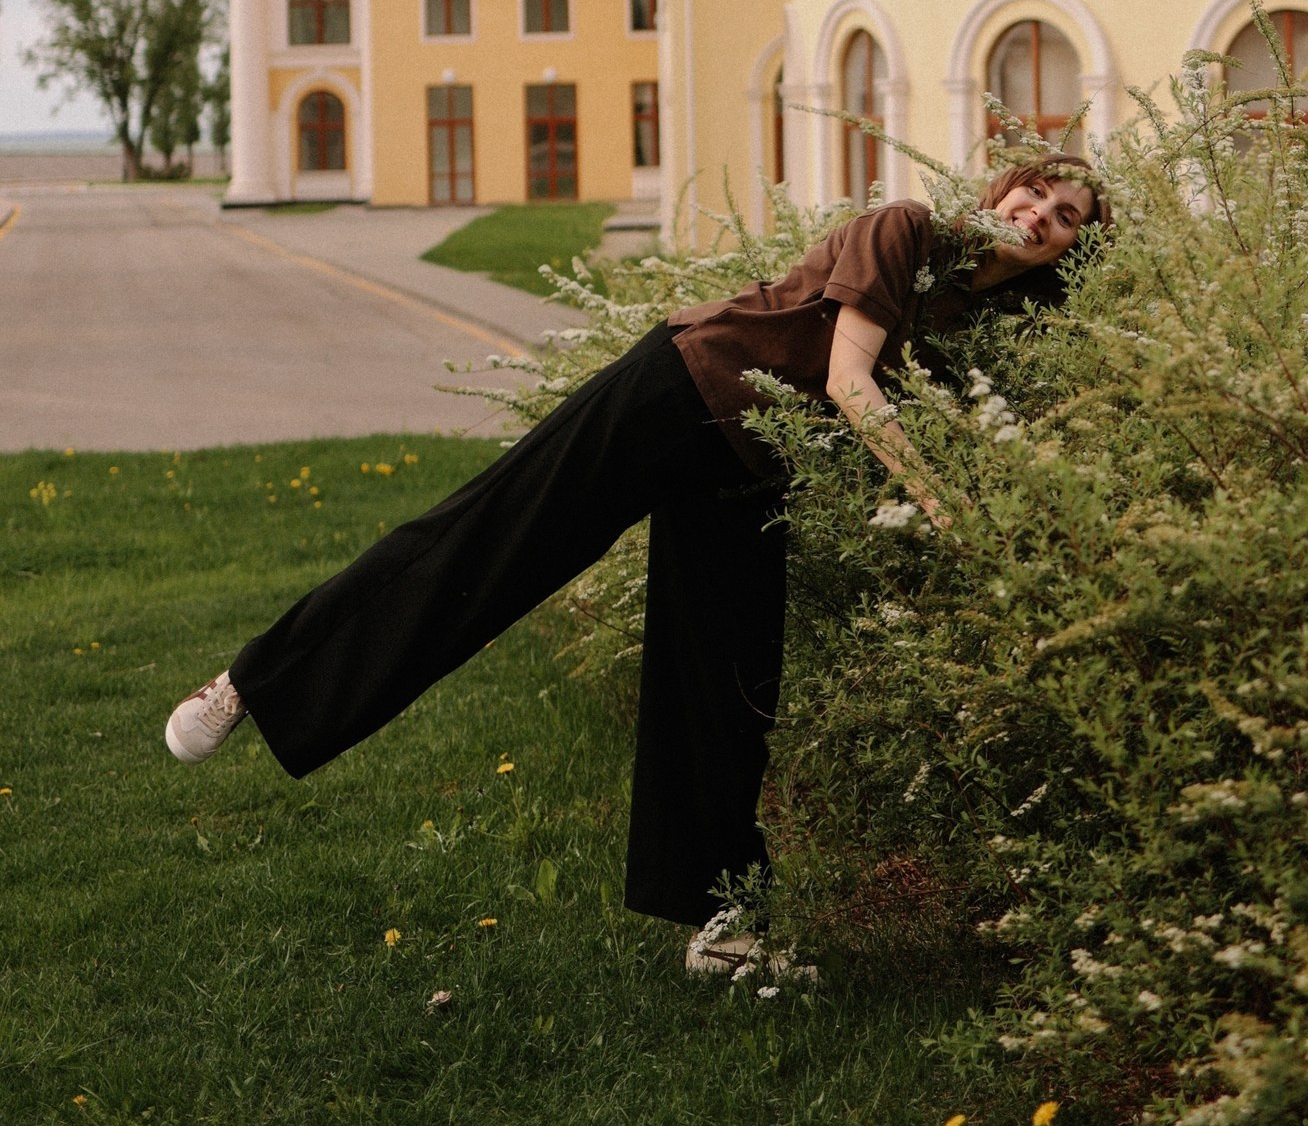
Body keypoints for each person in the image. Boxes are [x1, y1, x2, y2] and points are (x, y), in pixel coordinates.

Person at [164, 159, 1101, 971]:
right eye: (1036, 191)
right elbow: (848, 382)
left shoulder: (976, 318)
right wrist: (942, 503)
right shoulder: (904, 231)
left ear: (1066, 253)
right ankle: (255, 680)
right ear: (1003, 184)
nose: (1039, 215)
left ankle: (722, 924)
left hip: (751, 464)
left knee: (729, 678)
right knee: (488, 542)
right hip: (677, 391)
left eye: (1065, 218)